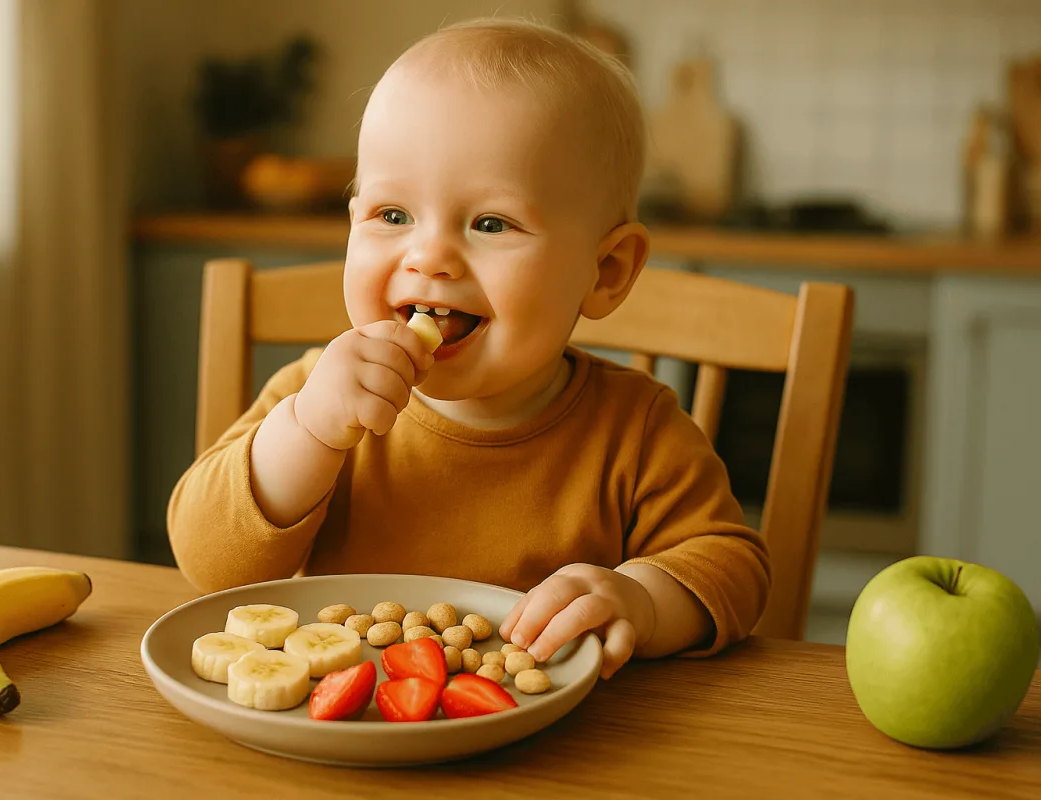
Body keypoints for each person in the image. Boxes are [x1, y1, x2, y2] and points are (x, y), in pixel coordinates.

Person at [168, 18, 770, 679]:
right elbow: (206, 563)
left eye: (490, 223)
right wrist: (306, 434)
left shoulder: (638, 432)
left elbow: (733, 568)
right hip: (350, 735)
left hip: (552, 753)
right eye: (392, 216)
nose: (428, 257)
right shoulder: (313, 399)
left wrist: (642, 599)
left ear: (607, 271)